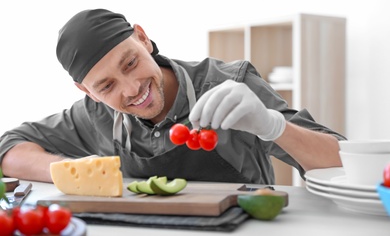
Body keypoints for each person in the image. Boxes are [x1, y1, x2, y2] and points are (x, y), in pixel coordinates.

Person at [0, 9, 345, 184]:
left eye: (131, 62)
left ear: (142, 38)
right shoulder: (94, 115)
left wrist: (273, 126)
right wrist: (73, 170)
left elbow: (347, 167)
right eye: (106, 87)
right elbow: (9, 148)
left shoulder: (230, 83)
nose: (131, 88)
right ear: (85, 91)